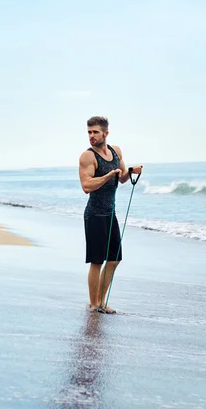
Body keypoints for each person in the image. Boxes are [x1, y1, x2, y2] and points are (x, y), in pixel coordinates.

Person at [78, 116, 143, 314]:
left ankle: (102, 301)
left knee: (114, 259)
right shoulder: (87, 157)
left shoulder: (116, 151)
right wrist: (106, 177)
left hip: (110, 213)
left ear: (106, 133)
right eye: (89, 132)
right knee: (97, 261)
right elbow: (86, 186)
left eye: (95, 132)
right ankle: (94, 304)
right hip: (94, 214)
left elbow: (122, 178)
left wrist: (131, 171)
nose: (91, 136)